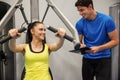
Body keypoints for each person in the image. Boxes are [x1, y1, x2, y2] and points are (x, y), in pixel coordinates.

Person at [74, 0, 119, 80]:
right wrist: (80, 45)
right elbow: (78, 42)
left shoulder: (107, 20)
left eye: (82, 10)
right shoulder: (79, 24)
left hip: (103, 59)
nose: (80, 13)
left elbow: (116, 41)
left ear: (90, 7)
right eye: (78, 11)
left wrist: (99, 48)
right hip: (87, 60)